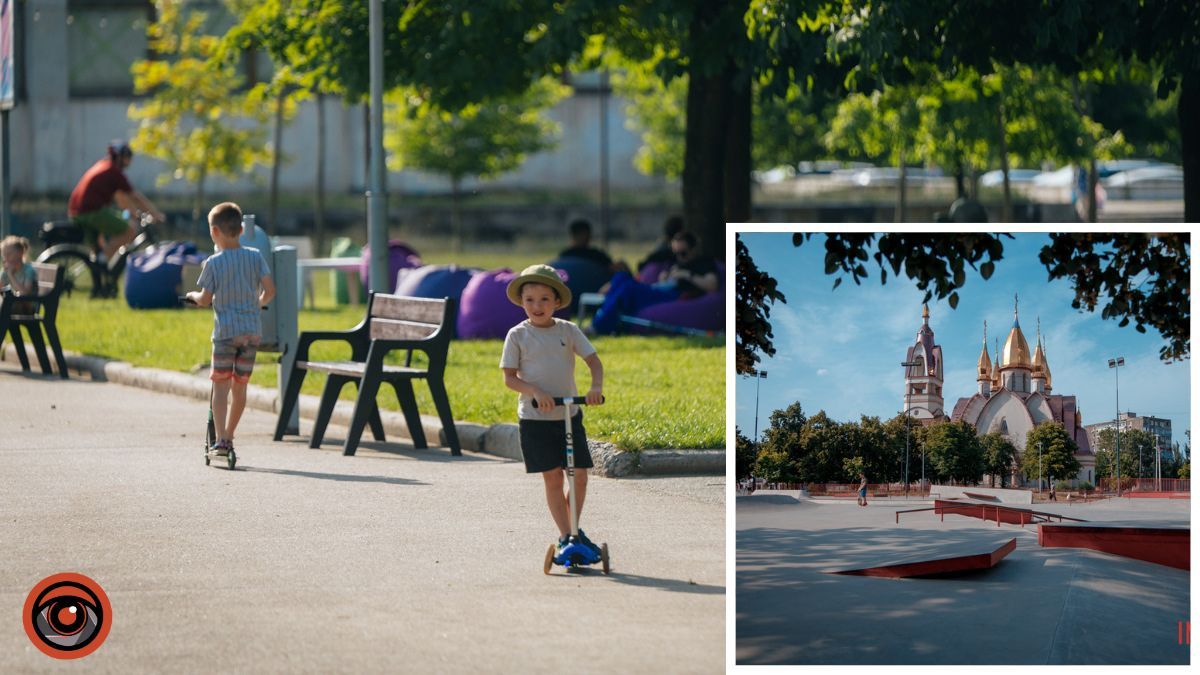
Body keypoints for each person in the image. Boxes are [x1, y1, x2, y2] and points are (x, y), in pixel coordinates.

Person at [500, 264, 605, 559]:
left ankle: (574, 530)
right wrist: (535, 391)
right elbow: (509, 378)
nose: (537, 306)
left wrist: (595, 387)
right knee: (553, 478)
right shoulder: (517, 335)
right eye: (530, 300)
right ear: (522, 302)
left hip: (568, 415)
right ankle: (566, 535)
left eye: (545, 299)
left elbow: (594, 362)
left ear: (557, 302)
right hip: (536, 419)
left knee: (579, 475)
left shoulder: (568, 331)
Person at [184, 202, 275, 456]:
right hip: (251, 332)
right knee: (240, 387)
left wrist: (192, 295)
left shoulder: (213, 263)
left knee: (221, 386)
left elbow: (205, 299)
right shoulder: (255, 257)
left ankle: (220, 439)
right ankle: (229, 436)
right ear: (241, 230)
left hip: (225, 334)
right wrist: (257, 304)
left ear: (215, 232)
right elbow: (270, 290)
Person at [591, 231, 719, 334]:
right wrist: (666, 278)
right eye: (675, 253)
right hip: (662, 288)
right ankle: (604, 318)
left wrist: (687, 275)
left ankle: (598, 326)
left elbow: (712, 285)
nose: (679, 257)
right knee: (621, 277)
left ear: (694, 249)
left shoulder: (704, 263)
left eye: (683, 253)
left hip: (678, 295)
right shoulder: (679, 262)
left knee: (628, 288)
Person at [68, 140, 166, 260]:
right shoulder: (113, 171)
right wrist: (155, 213)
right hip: (91, 212)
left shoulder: (103, 165)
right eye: (126, 157)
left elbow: (120, 199)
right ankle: (104, 260)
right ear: (118, 157)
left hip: (77, 212)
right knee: (129, 230)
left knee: (100, 247)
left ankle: (100, 264)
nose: (129, 161)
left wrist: (135, 214)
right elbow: (134, 196)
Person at [1, 235, 39, 314]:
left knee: (4, 306)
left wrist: (11, 275)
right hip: (11, 305)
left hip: (27, 308)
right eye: (4, 255)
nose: (6, 258)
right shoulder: (6, 271)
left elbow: (25, 294)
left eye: (9, 254)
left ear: (20, 253)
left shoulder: (29, 270)